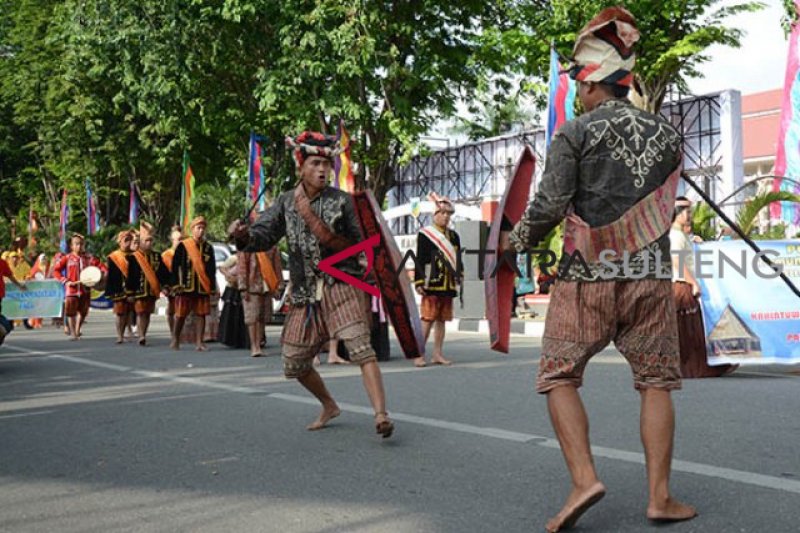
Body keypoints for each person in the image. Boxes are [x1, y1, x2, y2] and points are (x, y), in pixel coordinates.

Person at [501, 8, 696, 531]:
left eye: (577, 83)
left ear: (590, 82)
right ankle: (659, 498)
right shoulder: (668, 135)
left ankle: (585, 477)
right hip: (650, 280)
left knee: (558, 375)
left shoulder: (575, 133)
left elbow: (546, 207)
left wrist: (511, 245)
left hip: (586, 279)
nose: (576, 93)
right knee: (655, 383)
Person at [228, 131, 394, 438]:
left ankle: (381, 415)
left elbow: (365, 243)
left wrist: (365, 262)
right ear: (301, 167)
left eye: (326, 164)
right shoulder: (286, 202)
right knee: (293, 363)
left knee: (361, 349)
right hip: (304, 293)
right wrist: (241, 235)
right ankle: (329, 405)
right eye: (315, 163)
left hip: (341, 284)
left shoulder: (342, 202)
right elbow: (262, 236)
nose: (322, 170)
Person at [670, 198, 737, 378]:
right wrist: (693, 282)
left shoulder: (681, 235)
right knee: (688, 330)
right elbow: (677, 261)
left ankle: (688, 366)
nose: (689, 215)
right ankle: (689, 367)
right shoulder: (676, 236)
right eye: (685, 211)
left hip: (683, 284)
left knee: (690, 329)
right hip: (681, 285)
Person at [412, 194, 462, 367]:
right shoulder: (426, 235)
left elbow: (458, 258)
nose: (446, 217)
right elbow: (420, 258)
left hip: (448, 283)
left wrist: (459, 274)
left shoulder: (454, 236)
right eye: (442, 213)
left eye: (448, 213)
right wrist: (419, 282)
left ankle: (437, 353)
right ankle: (418, 354)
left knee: (442, 319)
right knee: (427, 318)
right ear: (435, 214)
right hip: (432, 282)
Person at [170, 216, 217, 351]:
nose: (201, 231)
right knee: (180, 314)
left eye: (203, 228)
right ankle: (175, 338)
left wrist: (212, 287)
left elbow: (211, 269)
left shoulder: (208, 248)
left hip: (202, 286)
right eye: (198, 228)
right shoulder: (184, 246)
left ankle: (199, 342)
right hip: (185, 286)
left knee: (201, 314)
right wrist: (175, 284)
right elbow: (175, 266)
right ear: (192, 229)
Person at [53, 234, 107, 340]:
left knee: (83, 312)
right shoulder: (67, 258)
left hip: (85, 290)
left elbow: (102, 267)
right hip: (71, 290)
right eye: (76, 244)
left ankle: (77, 329)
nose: (79, 246)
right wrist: (65, 281)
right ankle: (73, 333)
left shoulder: (89, 258)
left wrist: (103, 276)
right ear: (71, 246)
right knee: (70, 312)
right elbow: (56, 270)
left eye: (81, 244)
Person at [126, 222, 168, 346]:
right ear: (141, 242)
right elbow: (131, 276)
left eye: (151, 240)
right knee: (140, 312)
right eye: (146, 241)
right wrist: (130, 292)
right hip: (139, 291)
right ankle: (141, 336)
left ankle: (143, 332)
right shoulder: (134, 257)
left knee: (147, 313)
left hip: (152, 290)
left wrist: (166, 286)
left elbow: (162, 273)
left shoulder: (156, 256)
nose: (149, 243)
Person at [237, 247, 282, 357]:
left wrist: (278, 287)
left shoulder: (272, 247)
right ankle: (254, 346)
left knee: (263, 316)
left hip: (267, 285)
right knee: (252, 317)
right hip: (251, 286)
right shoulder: (248, 245)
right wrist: (243, 287)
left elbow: (277, 266)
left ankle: (259, 344)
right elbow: (242, 267)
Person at [105, 230, 134, 344]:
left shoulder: (135, 255)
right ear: (120, 242)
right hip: (118, 288)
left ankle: (126, 331)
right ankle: (119, 335)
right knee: (119, 313)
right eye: (125, 240)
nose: (127, 243)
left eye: (129, 240)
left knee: (128, 313)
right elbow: (111, 275)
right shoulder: (113, 256)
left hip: (131, 288)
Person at [218, 254, 249, 349]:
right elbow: (222, 267)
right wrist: (229, 276)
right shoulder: (234, 258)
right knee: (231, 315)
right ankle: (230, 339)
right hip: (233, 289)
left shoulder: (251, 257)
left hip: (244, 288)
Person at [161, 226, 182, 334]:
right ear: (172, 240)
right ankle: (173, 332)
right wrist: (164, 287)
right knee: (171, 310)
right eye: (177, 239)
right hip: (171, 286)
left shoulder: (185, 253)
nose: (179, 241)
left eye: (181, 239)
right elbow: (162, 273)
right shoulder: (166, 255)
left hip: (184, 285)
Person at [25, 253, 51, 328]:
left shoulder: (48, 269)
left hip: (45, 291)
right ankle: (34, 322)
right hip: (35, 292)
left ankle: (39, 321)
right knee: (36, 307)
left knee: (42, 306)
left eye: (45, 259)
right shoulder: (35, 269)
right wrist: (28, 278)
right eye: (42, 259)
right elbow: (29, 276)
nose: (44, 261)